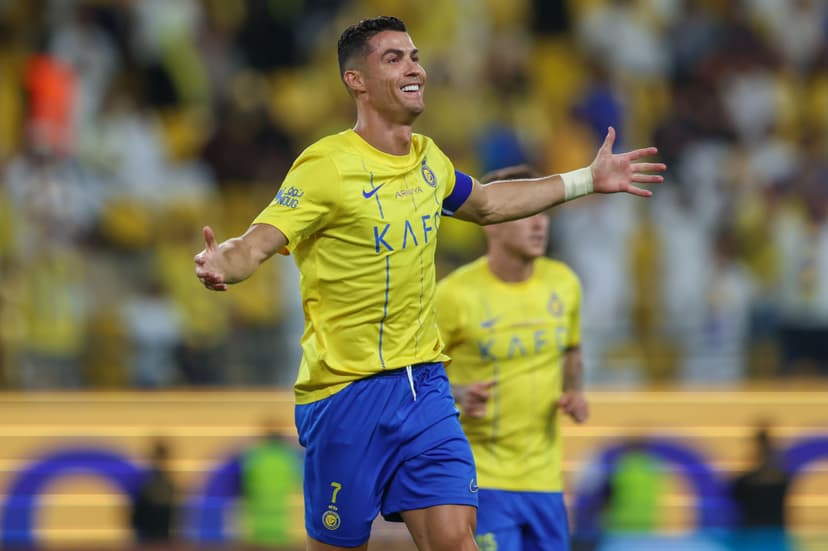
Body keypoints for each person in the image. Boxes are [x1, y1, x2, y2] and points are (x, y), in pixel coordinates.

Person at [194, 15, 665, 551]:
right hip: (346, 395)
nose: (414, 67)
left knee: (457, 540)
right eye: (393, 58)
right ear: (357, 82)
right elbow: (257, 242)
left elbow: (489, 204)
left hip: (425, 391)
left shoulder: (429, 161)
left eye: (415, 56)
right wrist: (222, 262)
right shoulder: (324, 166)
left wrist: (586, 180)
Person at [434, 165, 589, 550]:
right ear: (492, 222)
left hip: (545, 481)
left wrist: (574, 389)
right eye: (525, 214)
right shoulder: (453, 295)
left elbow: (571, 348)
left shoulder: (564, 283)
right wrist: (457, 393)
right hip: (481, 478)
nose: (539, 225)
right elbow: (413, 372)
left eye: (544, 214)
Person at [729, 421, 792, 551]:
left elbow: (735, 493)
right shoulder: (781, 479)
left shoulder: (745, 482)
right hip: (760, 533)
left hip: (759, 533)